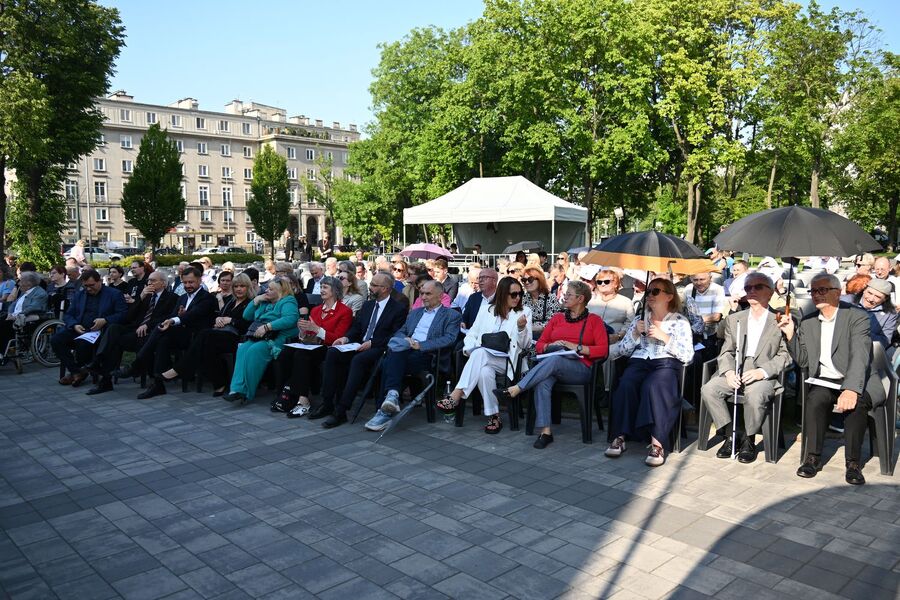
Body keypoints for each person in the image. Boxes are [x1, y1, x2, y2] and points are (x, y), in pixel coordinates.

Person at [778, 273, 885, 485]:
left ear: (837, 293)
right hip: (825, 380)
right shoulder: (808, 322)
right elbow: (804, 361)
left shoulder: (856, 316)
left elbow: (860, 356)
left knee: (856, 404)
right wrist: (790, 334)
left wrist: (851, 389)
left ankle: (853, 463)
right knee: (815, 400)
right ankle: (813, 457)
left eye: (822, 290)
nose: (816, 295)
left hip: (858, 378)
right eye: (813, 291)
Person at [495, 280, 608, 448]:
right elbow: (540, 345)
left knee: (554, 360)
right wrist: (552, 346)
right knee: (543, 380)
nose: (564, 296)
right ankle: (546, 432)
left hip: (580, 367)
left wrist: (575, 347)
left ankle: (516, 389)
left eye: (569, 294)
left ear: (580, 298)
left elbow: (602, 350)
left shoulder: (594, 321)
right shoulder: (557, 318)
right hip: (553, 364)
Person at [700, 273, 791, 463]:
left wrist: (762, 372)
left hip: (763, 371)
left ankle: (748, 440)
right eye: (748, 288)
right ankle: (730, 435)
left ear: (770, 292)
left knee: (755, 395)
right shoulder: (736, 319)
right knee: (709, 389)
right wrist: (729, 371)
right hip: (737, 367)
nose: (751, 291)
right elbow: (726, 351)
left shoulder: (780, 319)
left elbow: (785, 356)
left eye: (758, 287)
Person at [606, 278, 694, 466]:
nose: (650, 295)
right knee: (626, 383)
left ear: (669, 296)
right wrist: (634, 335)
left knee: (654, 386)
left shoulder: (680, 322)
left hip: (666, 363)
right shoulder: (640, 319)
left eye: (655, 292)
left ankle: (657, 443)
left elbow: (688, 356)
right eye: (649, 291)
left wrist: (665, 338)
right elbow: (623, 350)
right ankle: (620, 437)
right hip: (639, 361)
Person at [363, 280, 462, 431]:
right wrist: (405, 340)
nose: (423, 297)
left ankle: (384, 408)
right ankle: (390, 399)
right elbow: (401, 331)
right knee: (394, 355)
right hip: (406, 350)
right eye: (422, 293)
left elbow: (449, 339)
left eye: (428, 294)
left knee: (389, 360)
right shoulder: (415, 313)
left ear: (441, 296)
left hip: (427, 355)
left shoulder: (451, 315)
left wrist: (420, 345)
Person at [438, 277, 532, 434]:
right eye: (513, 294)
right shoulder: (486, 310)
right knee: (484, 371)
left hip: (509, 362)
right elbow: (471, 335)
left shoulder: (524, 312)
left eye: (520, 294)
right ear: (502, 294)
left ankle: (456, 394)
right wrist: (469, 349)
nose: (517, 298)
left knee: (480, 353)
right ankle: (493, 416)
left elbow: (525, 345)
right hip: (484, 359)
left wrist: (521, 329)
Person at [313, 273, 407, 428]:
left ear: (385, 289)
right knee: (333, 352)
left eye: (374, 285)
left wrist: (372, 343)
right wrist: (346, 339)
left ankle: (341, 410)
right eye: (371, 284)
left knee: (358, 360)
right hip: (358, 344)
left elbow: (395, 335)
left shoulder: (398, 309)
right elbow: (357, 327)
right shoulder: (368, 305)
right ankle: (327, 402)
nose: (370, 287)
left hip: (379, 347)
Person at [123, 267, 217, 398]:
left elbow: (195, 314)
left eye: (191, 282)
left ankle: (137, 364)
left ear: (199, 280)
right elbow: (173, 315)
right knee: (162, 339)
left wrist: (175, 319)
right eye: (185, 283)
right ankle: (158, 385)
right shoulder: (183, 297)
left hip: (196, 337)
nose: (188, 285)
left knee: (159, 330)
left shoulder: (207, 298)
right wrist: (174, 319)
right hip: (179, 334)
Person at [157, 272, 255, 395]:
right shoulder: (231, 301)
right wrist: (218, 319)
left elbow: (249, 325)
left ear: (248, 287)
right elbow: (219, 315)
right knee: (207, 346)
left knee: (204, 335)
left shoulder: (252, 303)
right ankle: (219, 383)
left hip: (238, 338)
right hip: (221, 334)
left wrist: (231, 321)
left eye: (242, 286)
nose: (239, 289)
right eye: (236, 286)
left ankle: (179, 370)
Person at [86, 271, 178, 395]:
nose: (149, 283)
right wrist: (140, 298)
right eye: (148, 280)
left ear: (163, 283)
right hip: (135, 329)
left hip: (153, 332)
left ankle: (108, 376)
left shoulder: (172, 297)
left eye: (153, 281)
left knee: (119, 343)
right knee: (113, 330)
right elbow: (129, 316)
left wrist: (147, 325)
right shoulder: (146, 296)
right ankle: (100, 364)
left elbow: (168, 317)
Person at [276, 276, 353, 417]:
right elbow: (308, 335)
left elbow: (337, 338)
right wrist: (303, 331)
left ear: (335, 291)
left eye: (325, 287)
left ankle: (303, 400)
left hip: (330, 348)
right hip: (312, 345)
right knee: (285, 353)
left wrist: (317, 329)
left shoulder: (344, 311)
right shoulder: (316, 310)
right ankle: (285, 395)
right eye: (321, 287)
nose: (321, 290)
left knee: (301, 355)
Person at [223, 277, 299, 405]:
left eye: (271, 289)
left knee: (254, 351)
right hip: (259, 335)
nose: (266, 291)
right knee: (242, 349)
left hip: (277, 338)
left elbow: (290, 319)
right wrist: (256, 300)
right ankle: (236, 390)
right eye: (267, 288)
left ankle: (246, 393)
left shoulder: (288, 301)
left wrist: (268, 326)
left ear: (281, 291)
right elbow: (246, 316)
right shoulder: (265, 301)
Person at [51, 270, 128, 387]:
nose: (88, 289)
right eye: (85, 286)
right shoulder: (80, 295)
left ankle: (79, 372)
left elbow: (123, 314)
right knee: (56, 340)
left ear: (100, 282)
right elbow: (68, 314)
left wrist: (105, 320)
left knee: (83, 344)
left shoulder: (114, 294)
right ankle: (76, 371)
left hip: (100, 331)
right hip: (79, 328)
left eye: (91, 285)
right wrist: (74, 325)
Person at [0, 272, 49, 359]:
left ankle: (2, 353)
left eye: (21, 281)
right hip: (14, 316)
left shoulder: (40, 293)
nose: (18, 283)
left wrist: (16, 315)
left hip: (28, 319)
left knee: (3, 326)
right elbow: (13, 304)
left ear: (28, 284)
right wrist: (10, 314)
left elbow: (32, 308)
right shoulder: (24, 292)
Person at [588, 269, 634, 346]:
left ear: (615, 284)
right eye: (599, 282)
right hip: (590, 339)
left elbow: (631, 323)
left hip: (614, 341)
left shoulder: (626, 302)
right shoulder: (591, 301)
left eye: (606, 281)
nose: (602, 284)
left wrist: (618, 336)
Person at [521, 266, 561, 339]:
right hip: (525, 338)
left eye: (530, 279)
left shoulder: (550, 298)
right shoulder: (522, 298)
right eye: (524, 280)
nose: (526, 282)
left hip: (545, 338)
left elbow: (554, 322)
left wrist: (532, 328)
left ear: (540, 280)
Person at [857, 278, 897, 353]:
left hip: (867, 352)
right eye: (869, 293)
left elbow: (885, 341)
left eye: (877, 297)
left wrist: (864, 332)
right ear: (864, 290)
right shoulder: (848, 302)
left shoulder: (890, 314)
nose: (871, 299)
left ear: (885, 299)